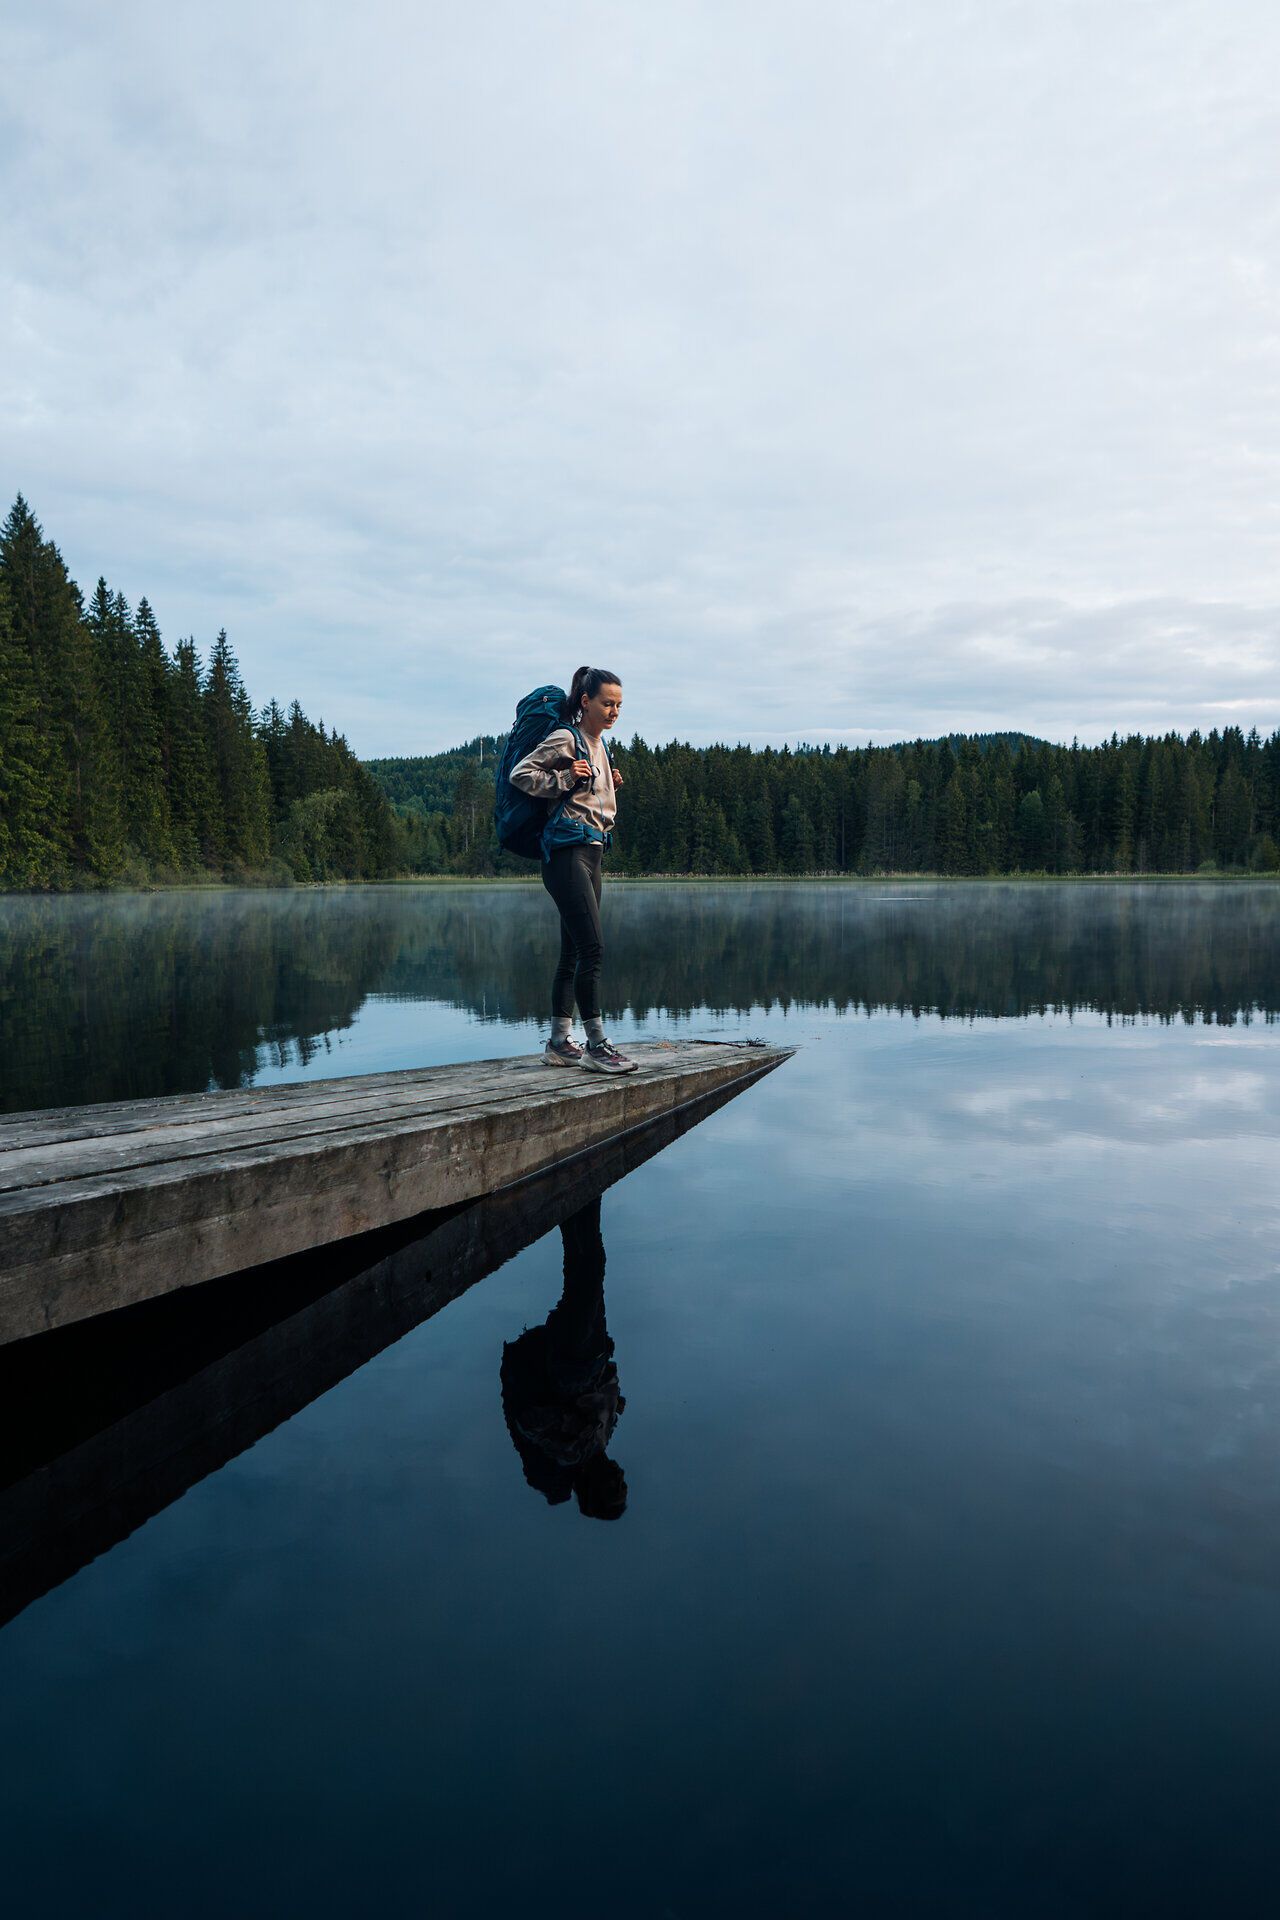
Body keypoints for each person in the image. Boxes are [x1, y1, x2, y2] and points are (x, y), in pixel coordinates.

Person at [509, 665, 637, 1074]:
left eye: (619, 704)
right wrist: (564, 777)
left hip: (592, 853)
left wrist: (608, 783)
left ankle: (559, 1043)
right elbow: (521, 773)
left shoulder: (601, 746)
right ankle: (597, 1045)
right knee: (592, 948)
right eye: (607, 703)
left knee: (573, 953)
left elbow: (591, 797)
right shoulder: (567, 737)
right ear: (585, 702)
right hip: (566, 854)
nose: (614, 711)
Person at [500, 1197, 627, 1520]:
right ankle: (580, 1197)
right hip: (591, 1358)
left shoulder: (571, 1453)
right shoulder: (600, 1442)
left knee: (588, 1272)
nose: (620, 1478)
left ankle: (579, 1195)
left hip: (572, 1368)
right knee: (587, 1270)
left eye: (613, 1487)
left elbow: (530, 1420)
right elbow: (610, 1387)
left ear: (592, 1490)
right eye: (622, 1485)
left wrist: (581, 1420)